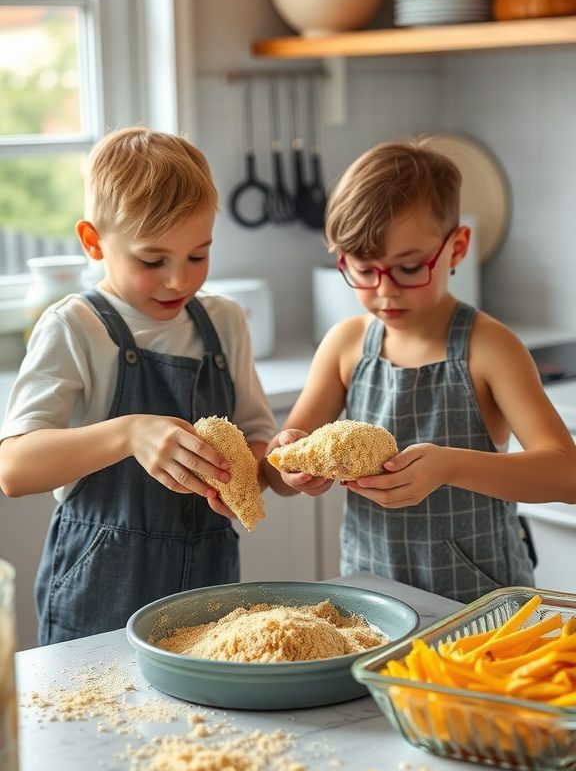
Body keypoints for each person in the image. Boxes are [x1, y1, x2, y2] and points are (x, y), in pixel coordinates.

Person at [263, 139, 576, 603]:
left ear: (457, 248)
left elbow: (566, 475)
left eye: (409, 267)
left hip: (479, 603)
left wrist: (449, 465)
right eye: (364, 271)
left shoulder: (489, 348)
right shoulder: (345, 346)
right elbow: (279, 468)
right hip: (371, 603)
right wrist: (290, 464)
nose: (385, 290)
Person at [0, 127, 277, 643]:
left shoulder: (226, 321)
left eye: (198, 255)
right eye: (153, 261)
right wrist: (129, 433)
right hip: (99, 589)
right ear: (93, 242)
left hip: (209, 590)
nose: (179, 280)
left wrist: (275, 469)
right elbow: (14, 469)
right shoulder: (75, 327)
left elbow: (256, 445)